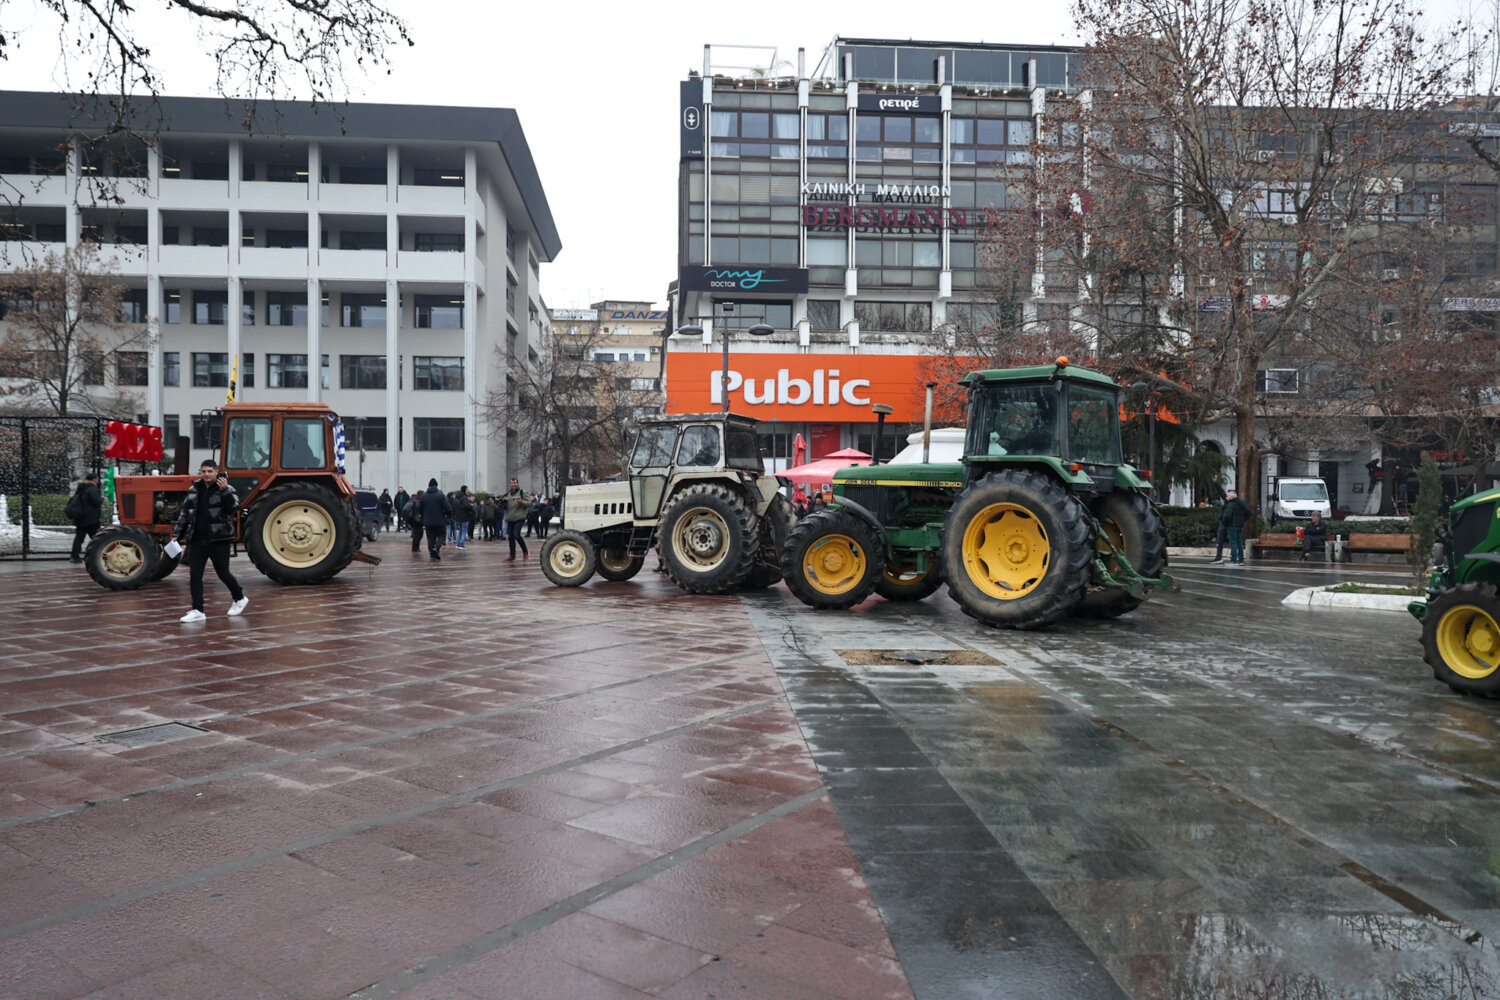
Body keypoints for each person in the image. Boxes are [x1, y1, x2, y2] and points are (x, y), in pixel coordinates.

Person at [173, 460, 248, 622]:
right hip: (197, 539)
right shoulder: (193, 490)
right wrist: (177, 535)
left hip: (219, 539)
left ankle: (239, 597)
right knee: (194, 575)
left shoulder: (228, 489)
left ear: (216, 472)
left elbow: (234, 508)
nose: (206, 474)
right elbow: (185, 514)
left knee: (223, 573)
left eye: (210, 471)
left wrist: (225, 491)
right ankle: (198, 610)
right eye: (204, 471)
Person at [66, 471, 103, 563]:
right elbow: (96, 502)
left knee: (79, 538)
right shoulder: (92, 489)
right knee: (97, 538)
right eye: (97, 479)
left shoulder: (81, 488)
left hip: (81, 517)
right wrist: (101, 499)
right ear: (94, 479)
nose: (98, 481)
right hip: (91, 519)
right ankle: (100, 555)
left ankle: (75, 556)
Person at [415, 478, 452, 560]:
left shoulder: (423, 496)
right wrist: (447, 515)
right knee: (442, 535)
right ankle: (437, 547)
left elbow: (418, 508)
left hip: (427, 521)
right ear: (436, 485)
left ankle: (432, 553)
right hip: (439, 521)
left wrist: (423, 515)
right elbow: (448, 508)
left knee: (430, 538)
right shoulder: (440, 495)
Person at [1219, 489, 1252, 565]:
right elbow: (1249, 513)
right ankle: (1241, 559)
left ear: (1231, 496)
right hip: (1240, 526)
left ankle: (1233, 560)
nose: (1226, 497)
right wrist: (1243, 520)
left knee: (1233, 542)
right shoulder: (1241, 503)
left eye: (1228, 495)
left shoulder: (1231, 504)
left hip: (1232, 525)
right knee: (1239, 542)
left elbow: (1227, 515)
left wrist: (1224, 523)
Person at [501, 478, 531, 561]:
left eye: (514, 483)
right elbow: (504, 505)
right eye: (511, 483)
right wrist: (501, 502)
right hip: (510, 517)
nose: (513, 484)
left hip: (519, 517)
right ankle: (512, 555)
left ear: (517, 483)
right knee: (510, 537)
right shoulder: (508, 494)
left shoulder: (522, 492)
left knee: (516, 535)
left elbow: (529, 503)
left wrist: (521, 502)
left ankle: (525, 552)